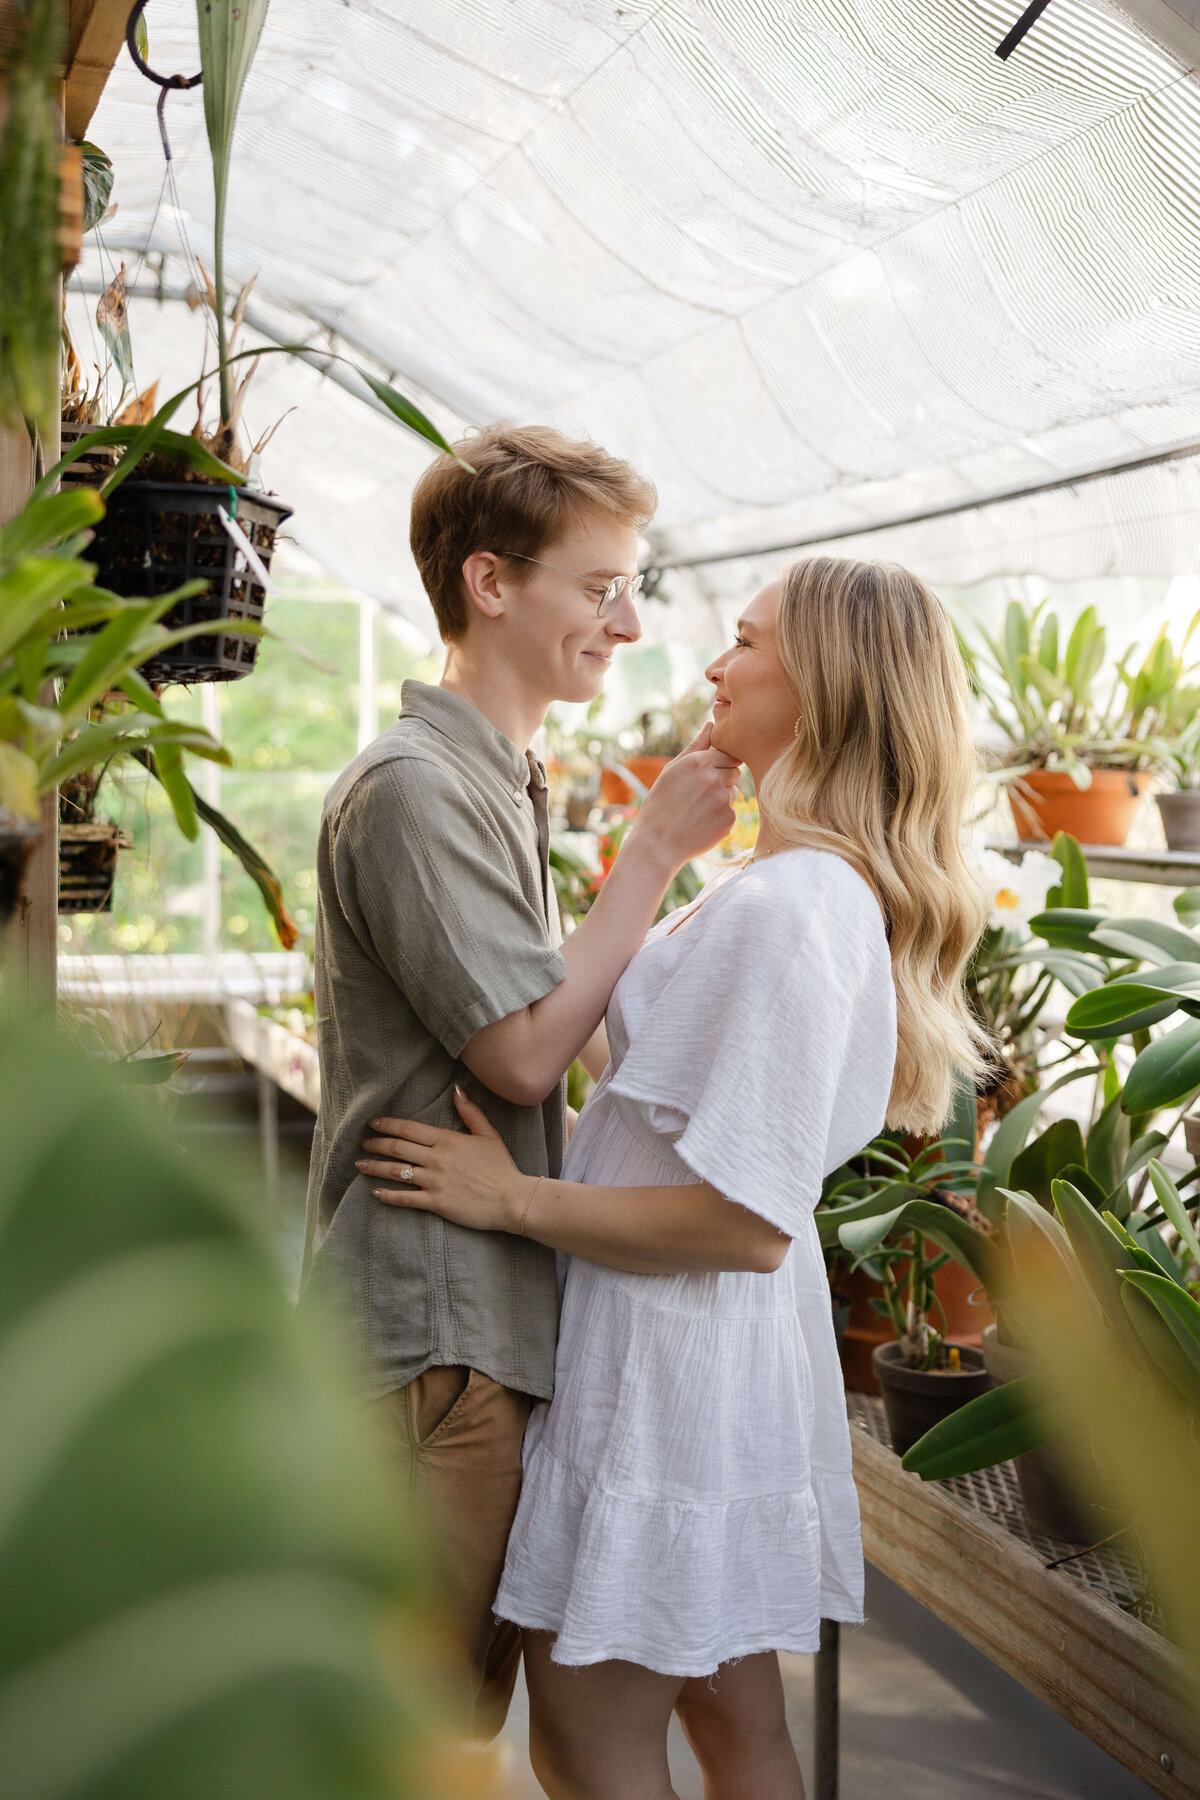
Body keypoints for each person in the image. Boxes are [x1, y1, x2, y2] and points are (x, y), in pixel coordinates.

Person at [358, 555, 991, 1799]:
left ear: (820, 684)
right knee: (735, 1730)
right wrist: (610, 880)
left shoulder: (797, 906)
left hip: (670, 1367)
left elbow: (745, 1220)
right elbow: (641, 1078)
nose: (711, 663)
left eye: (745, 643)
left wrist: (513, 1200)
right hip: (708, 1356)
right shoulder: (778, 885)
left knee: (589, 1749)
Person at [302, 423, 742, 1739]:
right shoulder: (415, 791)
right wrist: (653, 853)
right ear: (491, 584)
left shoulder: (492, 783)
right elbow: (521, 1051)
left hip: (475, 1316)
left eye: (635, 589)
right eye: (600, 587)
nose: (626, 621)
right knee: (415, 1734)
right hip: (433, 1337)